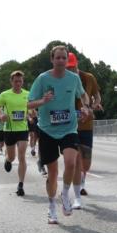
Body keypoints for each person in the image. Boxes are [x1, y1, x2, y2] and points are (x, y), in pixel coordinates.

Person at [28, 45, 89, 223]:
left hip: (69, 128)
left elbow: (83, 95)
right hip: (47, 130)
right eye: (58, 58)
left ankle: (64, 194)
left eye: (64, 58)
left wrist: (85, 106)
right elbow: (28, 104)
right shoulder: (42, 79)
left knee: (71, 162)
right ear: (52, 60)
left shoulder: (73, 78)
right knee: (53, 173)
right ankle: (51, 207)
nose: (61, 61)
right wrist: (43, 101)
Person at [67, 52, 102, 208]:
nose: (70, 70)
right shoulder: (63, 80)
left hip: (86, 124)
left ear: (77, 64)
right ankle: (77, 191)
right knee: (75, 159)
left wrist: (93, 106)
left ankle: (81, 179)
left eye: (72, 67)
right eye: (68, 68)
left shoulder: (89, 78)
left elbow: (97, 96)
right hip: (69, 125)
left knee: (86, 162)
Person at [0, 71, 31, 196]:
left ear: (23, 82)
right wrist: (1, 115)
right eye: (16, 81)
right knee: (12, 157)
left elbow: (30, 108)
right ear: (11, 81)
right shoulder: (5, 95)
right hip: (9, 130)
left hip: (23, 129)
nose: (18, 83)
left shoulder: (27, 94)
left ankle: (21, 184)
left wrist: (31, 114)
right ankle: (7, 160)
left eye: (20, 81)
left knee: (22, 155)